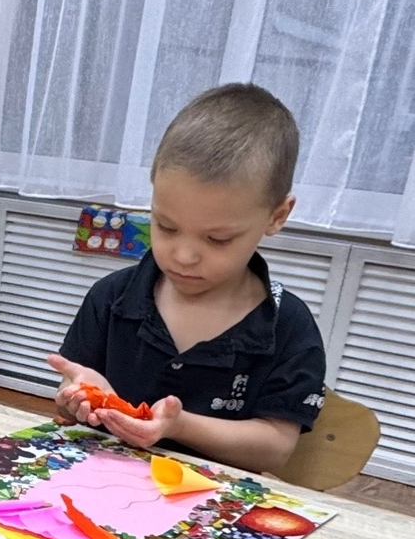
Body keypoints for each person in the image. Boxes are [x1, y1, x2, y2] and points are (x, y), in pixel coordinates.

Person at [49, 83, 326, 475]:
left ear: (277, 216)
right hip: (99, 482)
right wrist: (78, 397)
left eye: (217, 239)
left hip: (211, 500)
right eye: (166, 226)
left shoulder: (289, 326)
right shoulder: (110, 298)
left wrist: (179, 425)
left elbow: (275, 448)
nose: (183, 256)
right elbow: (70, 394)